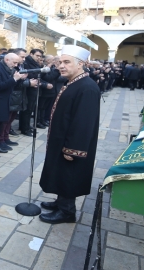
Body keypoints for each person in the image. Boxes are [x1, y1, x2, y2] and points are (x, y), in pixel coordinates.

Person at [39, 45, 100, 224]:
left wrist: (72, 149)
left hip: (72, 144)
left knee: (68, 175)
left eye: (67, 62)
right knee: (61, 173)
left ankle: (67, 212)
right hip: (62, 139)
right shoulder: (74, 82)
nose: (61, 66)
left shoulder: (87, 87)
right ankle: (61, 202)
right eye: (60, 62)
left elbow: (83, 122)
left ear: (80, 64)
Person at [0, 53, 25, 157]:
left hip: (5, 101)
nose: (16, 65)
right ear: (7, 60)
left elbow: (10, 86)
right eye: (14, 62)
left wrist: (19, 79)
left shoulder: (9, 69)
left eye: (17, 63)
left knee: (0, 126)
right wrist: (14, 79)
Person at [19, 49, 45, 135]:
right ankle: (24, 128)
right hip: (28, 89)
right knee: (27, 109)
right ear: (31, 54)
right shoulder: (27, 63)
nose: (39, 57)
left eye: (40, 56)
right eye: (37, 55)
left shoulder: (36, 63)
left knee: (30, 109)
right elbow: (30, 75)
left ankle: (26, 126)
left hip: (34, 88)